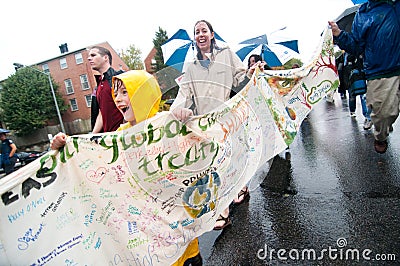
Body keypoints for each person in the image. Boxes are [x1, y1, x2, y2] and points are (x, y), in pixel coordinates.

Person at [51, 70, 202, 266]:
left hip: (181, 230)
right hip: (150, 235)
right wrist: (61, 147)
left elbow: (197, 152)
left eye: (125, 92)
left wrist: (187, 119)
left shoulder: (167, 122)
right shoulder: (117, 138)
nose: (118, 100)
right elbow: (88, 158)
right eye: (116, 94)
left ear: (143, 93)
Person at [170, 20, 267, 230]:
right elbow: (183, 94)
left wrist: (251, 72)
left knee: (232, 158)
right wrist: (178, 109)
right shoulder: (191, 67)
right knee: (215, 164)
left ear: (212, 34)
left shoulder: (226, 54)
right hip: (206, 125)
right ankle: (222, 211)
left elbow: (240, 79)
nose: (200, 34)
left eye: (204, 30)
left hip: (228, 118)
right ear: (194, 38)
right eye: (196, 32)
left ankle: (240, 187)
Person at [328, 0, 400, 154]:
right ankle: (381, 135)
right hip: (382, 71)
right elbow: (355, 46)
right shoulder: (363, 14)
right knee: (384, 114)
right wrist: (339, 35)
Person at [87, 46, 124, 133]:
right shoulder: (99, 86)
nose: (89, 58)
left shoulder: (120, 78)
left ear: (105, 58)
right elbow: (101, 113)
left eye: (93, 55)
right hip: (109, 139)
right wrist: (93, 135)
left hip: (124, 135)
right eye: (89, 56)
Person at [345, 53, 373, 130]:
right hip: (358, 77)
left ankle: (368, 116)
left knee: (362, 97)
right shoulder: (352, 53)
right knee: (361, 97)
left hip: (362, 75)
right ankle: (366, 116)